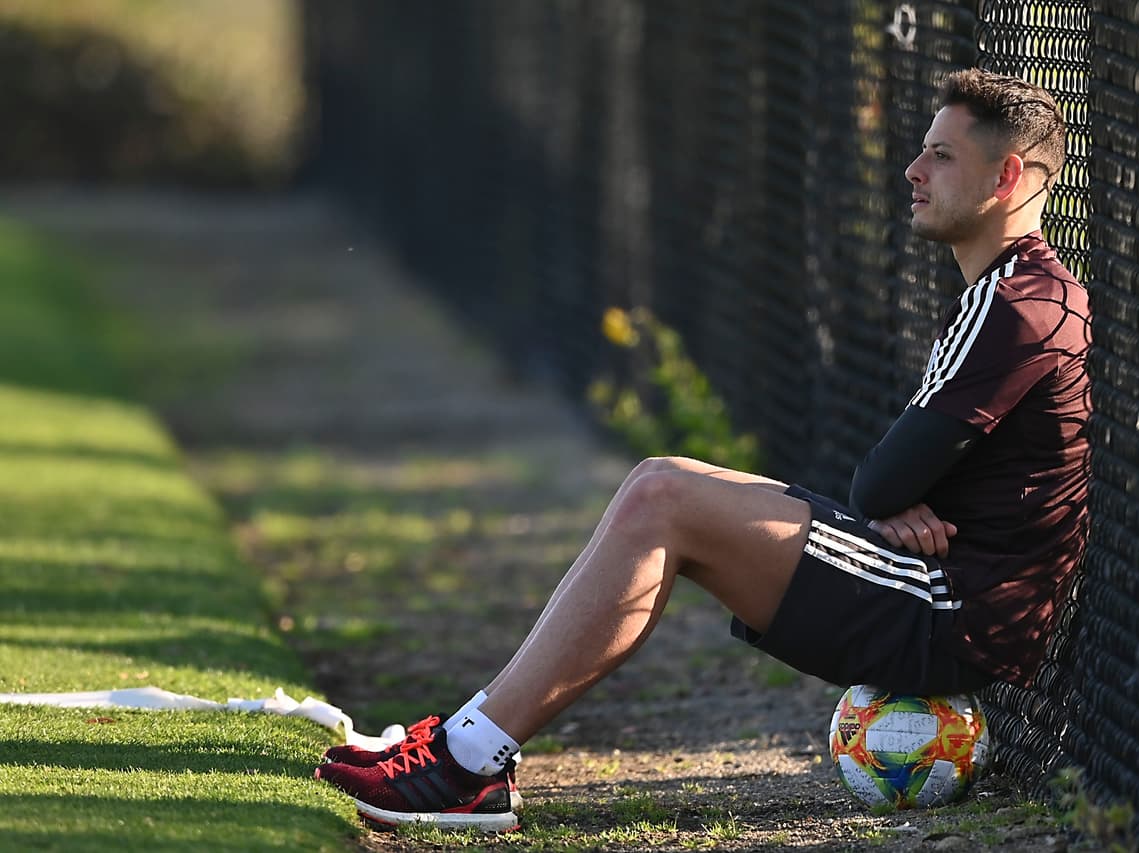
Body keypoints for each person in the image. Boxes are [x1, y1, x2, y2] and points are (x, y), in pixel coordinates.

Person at [315, 68, 1091, 832]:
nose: (912, 170)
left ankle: (466, 765)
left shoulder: (1020, 306)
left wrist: (895, 501)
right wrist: (896, 500)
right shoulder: (1017, 290)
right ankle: (469, 740)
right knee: (662, 478)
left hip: (952, 611)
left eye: (941, 156)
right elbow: (905, 483)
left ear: (1009, 175)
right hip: (940, 589)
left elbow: (883, 482)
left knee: (666, 501)